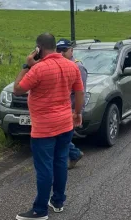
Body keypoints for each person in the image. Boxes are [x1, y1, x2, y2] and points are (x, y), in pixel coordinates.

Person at [13, 33, 84, 220]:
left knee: (44, 168)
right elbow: (79, 92)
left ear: (39, 48)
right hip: (65, 123)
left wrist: (27, 65)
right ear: (55, 47)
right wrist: (77, 113)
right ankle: (58, 201)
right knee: (60, 162)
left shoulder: (38, 69)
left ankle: (40, 210)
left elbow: (18, 88)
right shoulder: (71, 65)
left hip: (44, 128)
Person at [56, 38, 87, 170]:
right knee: (60, 135)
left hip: (72, 107)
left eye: (64, 50)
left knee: (61, 135)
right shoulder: (57, 65)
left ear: (71, 50)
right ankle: (74, 154)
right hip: (60, 107)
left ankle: (73, 154)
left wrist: (77, 111)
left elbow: (80, 92)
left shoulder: (78, 67)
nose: (61, 53)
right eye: (59, 50)